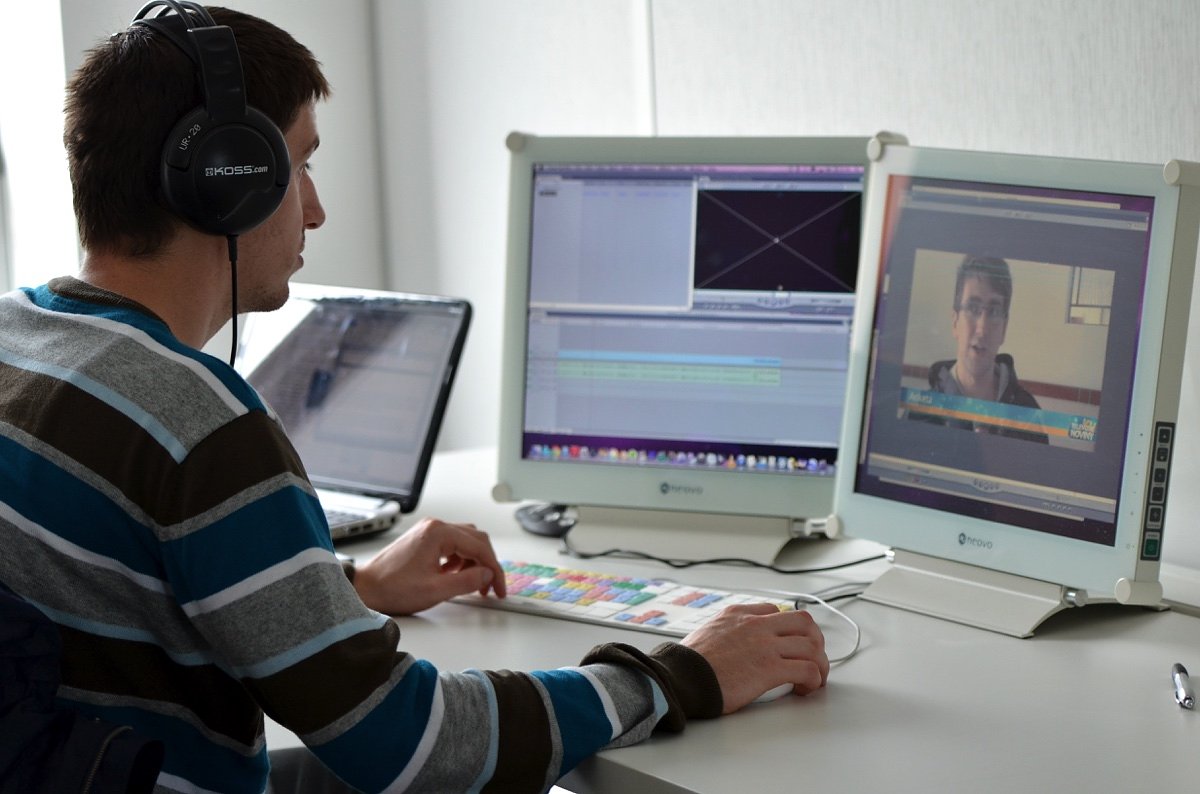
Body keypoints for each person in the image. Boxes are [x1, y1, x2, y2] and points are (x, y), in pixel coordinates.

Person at [0, 5, 829, 793]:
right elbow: (414, 748)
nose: (316, 210)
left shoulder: (17, 337)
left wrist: (347, 590)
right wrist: (677, 674)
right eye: (300, 165)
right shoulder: (202, 427)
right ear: (227, 180)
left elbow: (127, 588)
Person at [923, 254, 1049, 443]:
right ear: (955, 322)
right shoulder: (921, 413)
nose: (982, 328)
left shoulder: (1029, 415)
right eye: (973, 308)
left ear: (1004, 328)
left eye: (994, 311)